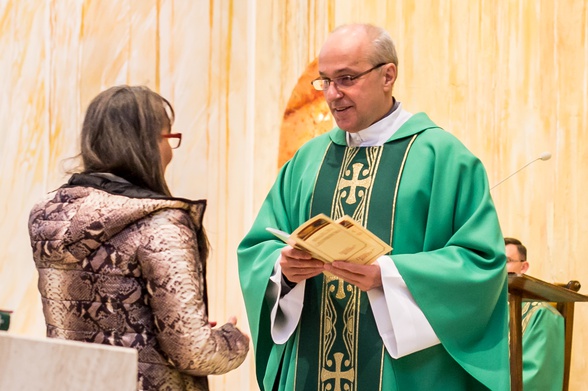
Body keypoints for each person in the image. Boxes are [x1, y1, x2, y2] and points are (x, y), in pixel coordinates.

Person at [238, 23, 509, 391]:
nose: (332, 95)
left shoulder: (443, 158)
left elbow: (482, 263)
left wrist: (389, 275)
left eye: (346, 78)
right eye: (325, 81)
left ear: (388, 75)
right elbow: (258, 248)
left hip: (406, 375)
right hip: (309, 368)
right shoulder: (307, 160)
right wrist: (284, 270)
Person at [28, 85, 249, 390]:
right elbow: (193, 353)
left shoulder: (47, 216)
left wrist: (182, 328)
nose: (170, 152)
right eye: (169, 138)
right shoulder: (162, 224)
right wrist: (231, 340)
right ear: (148, 145)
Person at [505, 237, 565, 391]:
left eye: (506, 260)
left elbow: (536, 378)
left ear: (523, 267)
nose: (498, 268)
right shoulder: (487, 310)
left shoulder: (542, 314)